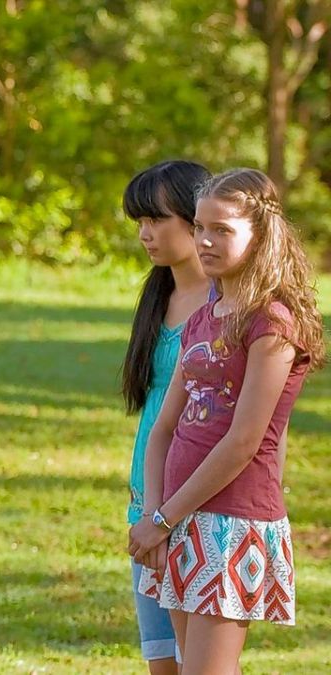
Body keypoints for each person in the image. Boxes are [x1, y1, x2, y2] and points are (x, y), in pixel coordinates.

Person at [128, 168, 324, 672]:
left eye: (222, 230)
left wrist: (164, 518)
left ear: (260, 237)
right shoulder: (203, 317)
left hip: (231, 522)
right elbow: (163, 429)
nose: (205, 240)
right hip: (177, 519)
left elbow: (243, 442)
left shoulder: (273, 322)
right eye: (199, 227)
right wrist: (156, 516)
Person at [119, 159, 211, 674]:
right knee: (161, 661)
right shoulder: (160, 296)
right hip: (145, 493)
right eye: (140, 221)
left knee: (203, 661)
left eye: (156, 219)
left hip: (196, 497)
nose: (145, 234)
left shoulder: (225, 306)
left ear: (195, 219)